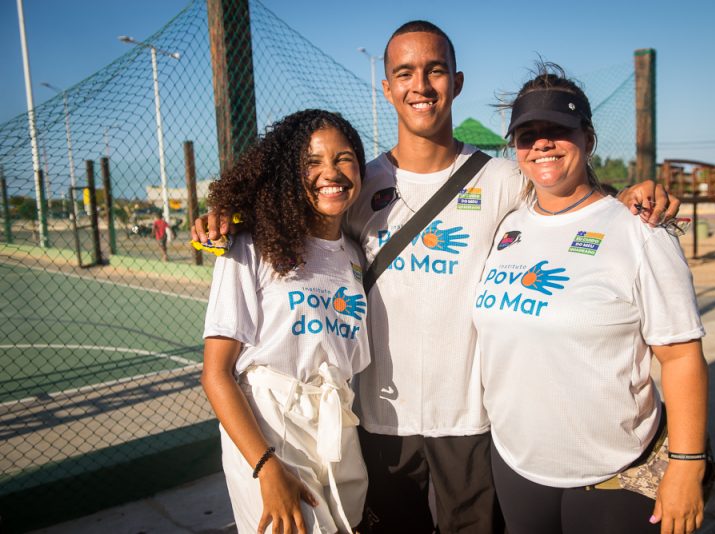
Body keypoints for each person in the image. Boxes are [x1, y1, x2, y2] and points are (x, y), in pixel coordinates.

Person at [194, 22, 680, 533]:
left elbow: (567, 201)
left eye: (435, 71)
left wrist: (628, 196)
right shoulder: (359, 183)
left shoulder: (502, 180)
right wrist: (227, 219)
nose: (420, 86)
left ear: (457, 80)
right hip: (380, 428)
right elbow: (300, 213)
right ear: (386, 87)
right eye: (404, 73)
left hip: (470, 426)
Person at [473, 63, 709, 534]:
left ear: (588, 138)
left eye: (557, 130)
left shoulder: (639, 231)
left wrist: (687, 465)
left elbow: (681, 355)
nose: (541, 143)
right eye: (526, 134)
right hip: (518, 465)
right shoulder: (508, 224)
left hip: (613, 478)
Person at [201, 109, 370, 534]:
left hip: (335, 427)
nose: (330, 172)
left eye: (343, 157)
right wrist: (266, 467)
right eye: (311, 162)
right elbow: (215, 373)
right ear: (286, 174)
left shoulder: (354, 253)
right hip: (270, 431)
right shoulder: (250, 246)